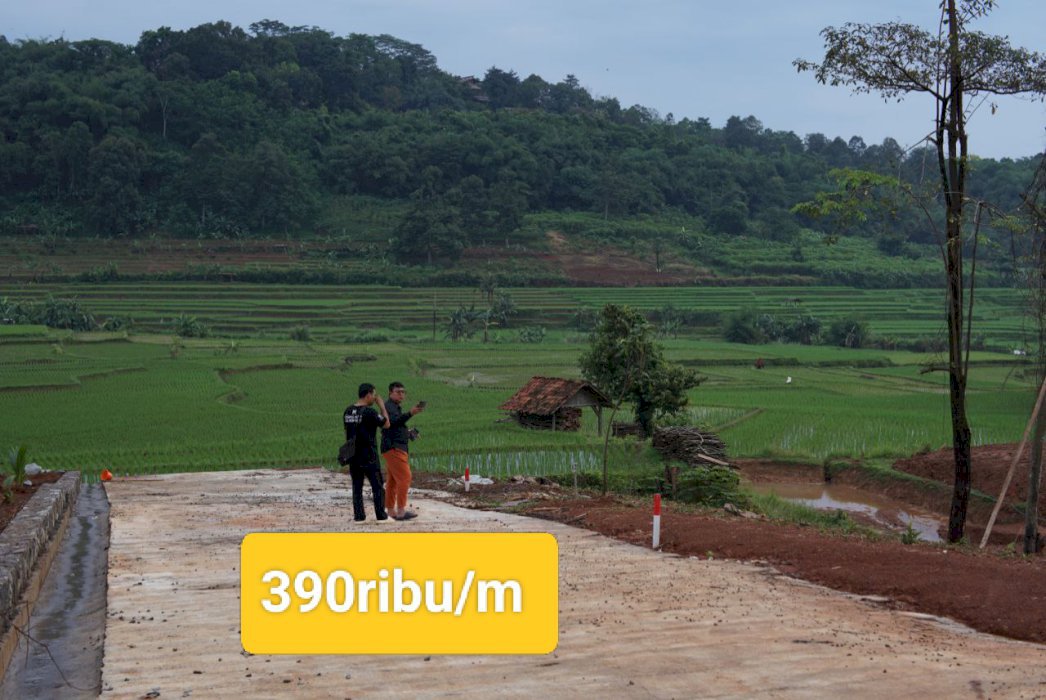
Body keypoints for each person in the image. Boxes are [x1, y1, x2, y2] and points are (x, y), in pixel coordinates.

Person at [343, 383, 390, 522]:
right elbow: (386, 424)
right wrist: (382, 406)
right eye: (374, 395)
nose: (374, 398)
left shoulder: (347, 411)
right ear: (368, 394)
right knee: (377, 486)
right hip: (369, 455)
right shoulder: (370, 412)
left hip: (353, 455)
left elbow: (346, 432)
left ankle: (359, 515)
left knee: (357, 486)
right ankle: (380, 514)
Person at [381, 381, 426, 521]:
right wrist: (410, 413)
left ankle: (390, 510)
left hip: (394, 447)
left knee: (393, 481)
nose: (401, 394)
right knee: (405, 478)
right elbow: (393, 422)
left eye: (403, 392)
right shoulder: (388, 407)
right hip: (394, 448)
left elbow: (395, 427)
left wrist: (408, 432)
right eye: (398, 392)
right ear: (390, 393)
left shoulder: (393, 407)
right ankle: (400, 511)